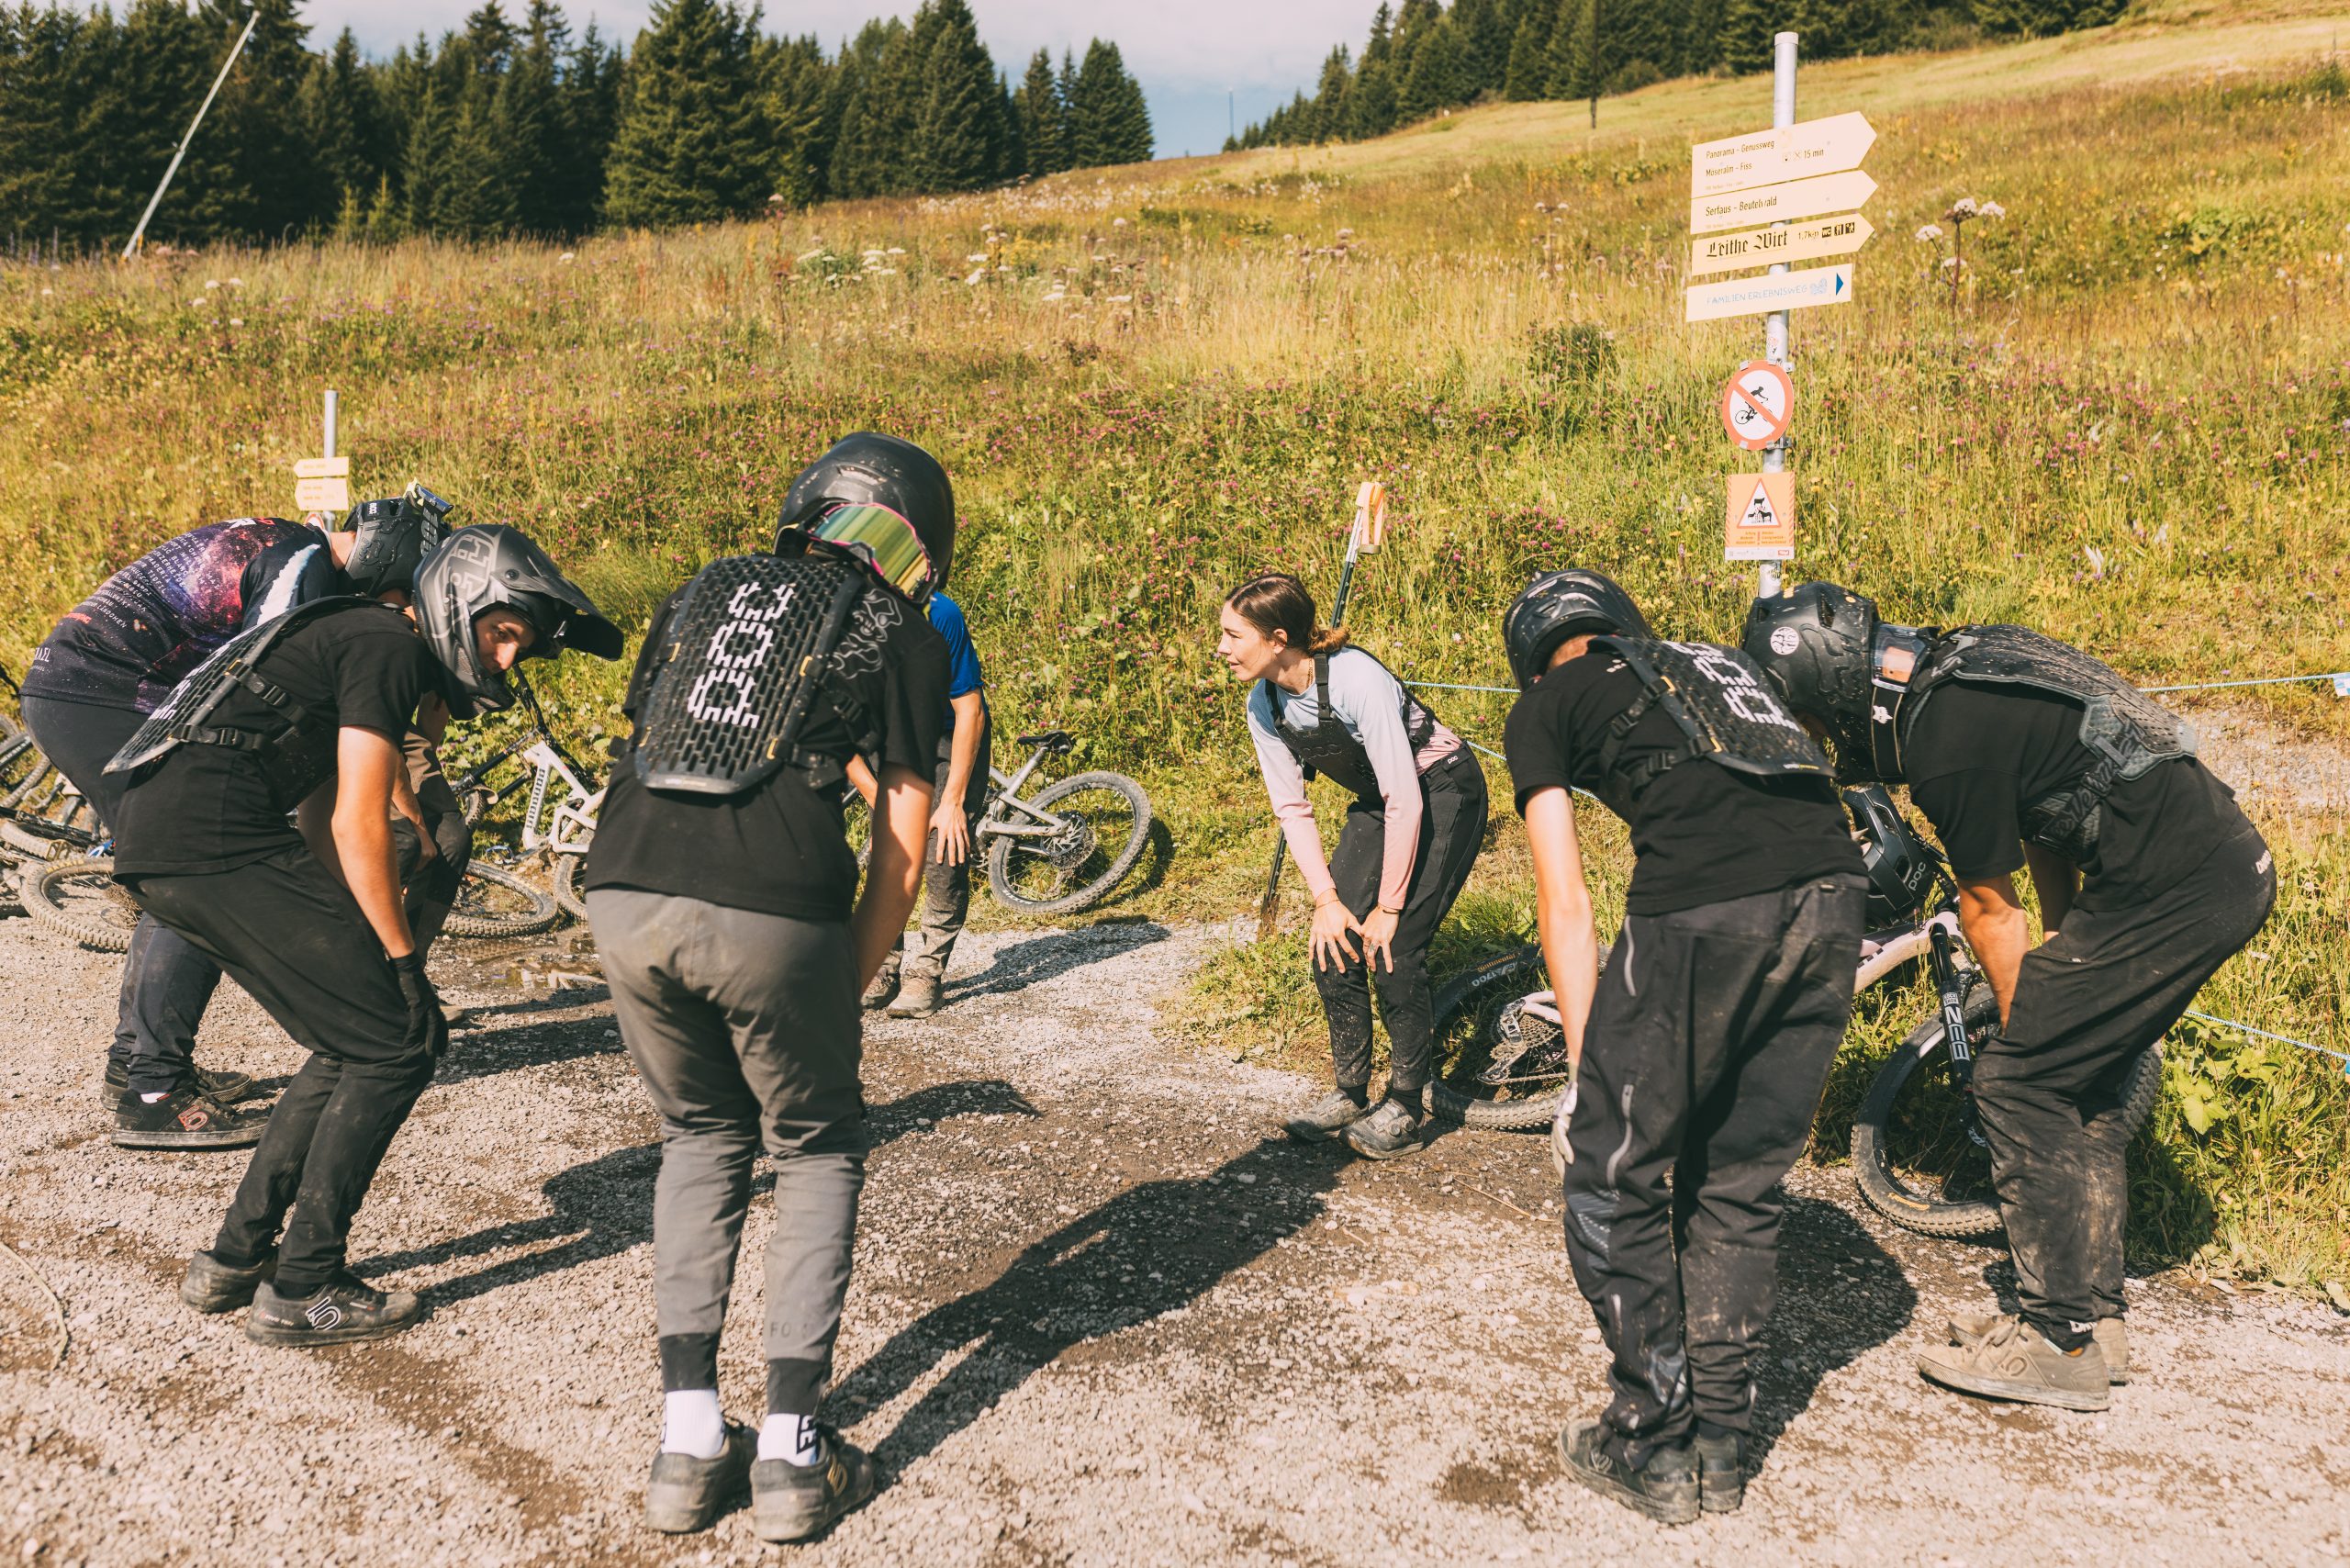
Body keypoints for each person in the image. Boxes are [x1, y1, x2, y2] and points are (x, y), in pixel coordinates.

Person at [1744, 583, 2276, 1413]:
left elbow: (1988, 908)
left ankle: (2055, 1340)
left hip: (2176, 885)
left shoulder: (1940, 741)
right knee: (2073, 1079)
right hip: (2211, 866)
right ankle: (2094, 1326)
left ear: (1830, 693)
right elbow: (2047, 815)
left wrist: (2026, 1028)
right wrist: (2062, 962)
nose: (1819, 741)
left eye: (1809, 722)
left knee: (2018, 1081)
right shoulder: (1962, 669)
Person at [110, 523, 620, 1346]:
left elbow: (317, 805)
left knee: (351, 1037)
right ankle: (306, 1287)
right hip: (212, 836)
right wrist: (399, 957)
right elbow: (359, 820)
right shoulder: (387, 646)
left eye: (517, 647)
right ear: (462, 601)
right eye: (503, 634)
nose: (504, 661)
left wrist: (357, 936)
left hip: (171, 835)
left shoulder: (353, 634)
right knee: (400, 1040)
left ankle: (236, 1260)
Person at [583, 432, 951, 1543]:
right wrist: (852, 971)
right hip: (773, 898)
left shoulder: (700, 591)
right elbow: (903, 827)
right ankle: (793, 1453)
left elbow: (647, 736)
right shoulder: (903, 627)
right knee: (820, 1143)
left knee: (699, 1134)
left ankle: (687, 1442)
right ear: (913, 540)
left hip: (623, 883)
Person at [1501, 568, 1864, 1525]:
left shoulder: (1548, 700)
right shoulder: (1713, 667)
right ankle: (1719, 1447)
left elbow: (1565, 900)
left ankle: (1649, 1441)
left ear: (1535, 656)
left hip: (1707, 908)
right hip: (1835, 897)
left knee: (1612, 1171)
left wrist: (1590, 1070)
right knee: (1738, 1178)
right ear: (1623, 626)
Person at [17, 503, 444, 1149]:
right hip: (101, 692)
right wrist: (401, 804)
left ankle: (135, 1064)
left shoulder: (287, 543)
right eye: (396, 592)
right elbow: (266, 671)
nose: (391, 608)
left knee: (184, 869)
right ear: (387, 562)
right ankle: (153, 1090)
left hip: (86, 684)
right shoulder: (300, 566)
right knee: (197, 859)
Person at [1217, 572, 1488, 1161]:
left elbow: (1406, 798)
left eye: (1234, 636)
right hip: (1380, 801)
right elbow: (1292, 807)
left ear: (1277, 637)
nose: (1222, 648)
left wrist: (1389, 908)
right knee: (1332, 941)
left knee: (1394, 950)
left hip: (1441, 790)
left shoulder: (1356, 679)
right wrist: (1326, 900)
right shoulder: (1262, 702)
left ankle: (1407, 1103)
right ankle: (1349, 1090)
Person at [856, 584, 990, 1019]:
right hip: (884, 735)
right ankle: (884, 964)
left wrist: (952, 801)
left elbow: (970, 710)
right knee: (888, 851)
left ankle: (928, 971)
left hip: (948, 734)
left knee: (942, 851)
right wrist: (878, 803)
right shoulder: (837, 631)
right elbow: (835, 736)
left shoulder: (940, 614)